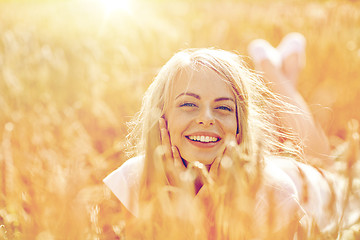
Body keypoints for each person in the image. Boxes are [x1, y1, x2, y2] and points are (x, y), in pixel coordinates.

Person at [103, 33, 358, 239]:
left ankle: (270, 68)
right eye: (189, 104)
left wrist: (202, 214)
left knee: (321, 161)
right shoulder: (132, 181)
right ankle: (281, 71)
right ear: (162, 117)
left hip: (308, 188)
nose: (206, 118)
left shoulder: (276, 194)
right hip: (252, 164)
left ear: (239, 127)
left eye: (223, 108)